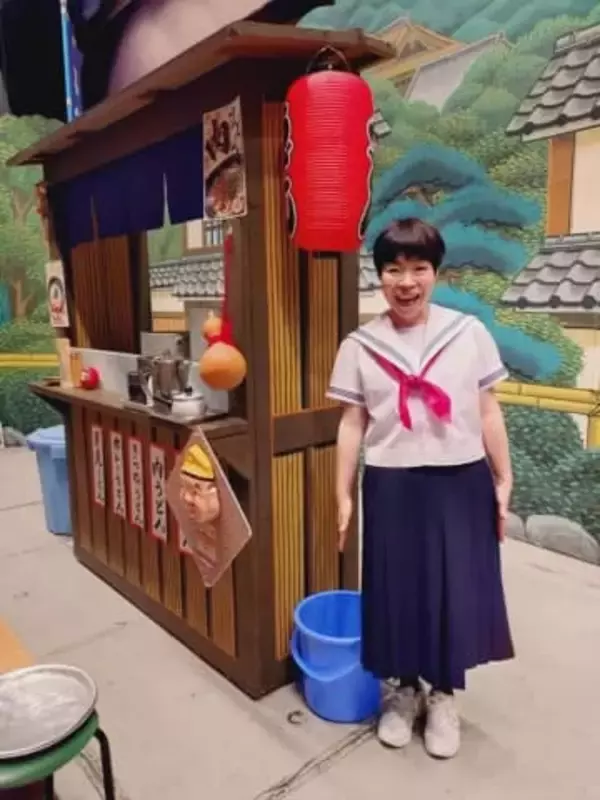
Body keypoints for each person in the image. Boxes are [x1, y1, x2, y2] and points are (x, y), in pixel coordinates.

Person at [327, 218, 514, 760]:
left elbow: (488, 410)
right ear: (379, 275)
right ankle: (403, 691)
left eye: (419, 268)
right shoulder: (360, 345)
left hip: (460, 480)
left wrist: (504, 476)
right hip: (393, 482)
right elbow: (352, 423)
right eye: (393, 269)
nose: (406, 282)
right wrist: (343, 493)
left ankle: (444, 694)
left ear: (436, 272)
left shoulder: (468, 333)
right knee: (397, 588)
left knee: (454, 588)